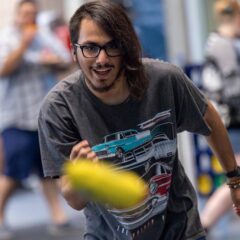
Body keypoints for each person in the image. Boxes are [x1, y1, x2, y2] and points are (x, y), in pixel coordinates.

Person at [38, 1, 240, 240]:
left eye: (111, 46)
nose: (101, 59)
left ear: (126, 48)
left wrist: (234, 179)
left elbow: (209, 118)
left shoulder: (164, 80)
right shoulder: (59, 108)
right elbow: (74, 201)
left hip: (180, 230)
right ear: (74, 50)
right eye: (90, 48)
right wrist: (83, 177)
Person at [0, 0, 72, 238]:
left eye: (32, 14)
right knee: (13, 172)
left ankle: (57, 216)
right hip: (15, 117)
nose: (28, 18)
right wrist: (24, 44)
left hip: (40, 116)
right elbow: (4, 68)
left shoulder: (43, 35)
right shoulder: (7, 38)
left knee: (47, 170)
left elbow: (65, 58)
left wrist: (53, 61)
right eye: (25, 14)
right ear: (17, 15)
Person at [201, 0, 240, 231]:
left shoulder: (226, 42)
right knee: (236, 174)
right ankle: (204, 223)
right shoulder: (222, 44)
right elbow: (234, 89)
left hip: (231, 119)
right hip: (231, 120)